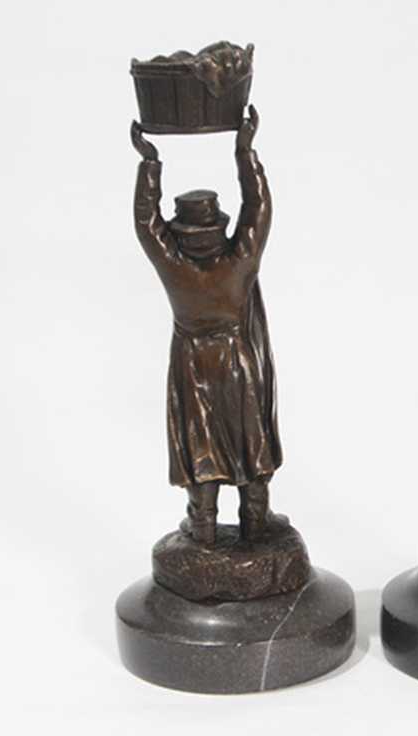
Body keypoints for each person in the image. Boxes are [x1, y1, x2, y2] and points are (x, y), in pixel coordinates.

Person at [131, 106, 286, 544]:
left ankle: (204, 527)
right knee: (250, 441)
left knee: (200, 443)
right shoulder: (239, 263)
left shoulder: (173, 266)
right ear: (219, 227)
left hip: (192, 363)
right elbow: (258, 209)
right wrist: (245, 151)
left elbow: (146, 223)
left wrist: (149, 163)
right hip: (238, 362)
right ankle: (256, 520)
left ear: (179, 233)